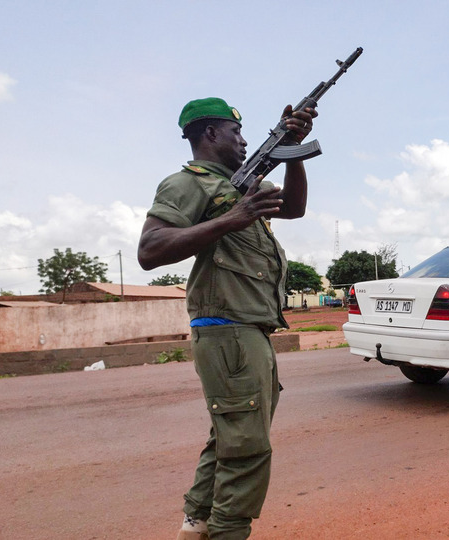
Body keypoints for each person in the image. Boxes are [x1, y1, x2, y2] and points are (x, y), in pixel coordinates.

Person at [138, 97, 316, 540]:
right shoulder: (187, 184)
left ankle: (196, 524)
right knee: (247, 447)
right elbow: (150, 250)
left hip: (248, 330)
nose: (244, 140)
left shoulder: (242, 184)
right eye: (236, 133)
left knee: (232, 435)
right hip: (227, 330)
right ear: (211, 134)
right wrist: (232, 219)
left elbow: (293, 208)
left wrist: (293, 149)